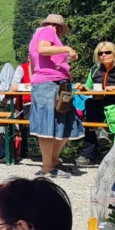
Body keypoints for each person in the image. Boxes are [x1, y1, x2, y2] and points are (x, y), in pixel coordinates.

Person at [28, 14, 83, 178]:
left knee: (64, 122)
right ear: (57, 26)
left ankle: (53, 161)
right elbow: (43, 50)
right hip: (49, 84)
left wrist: (68, 59)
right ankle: (47, 166)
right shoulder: (47, 30)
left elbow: (39, 60)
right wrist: (67, 48)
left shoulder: (42, 34)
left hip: (53, 84)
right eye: (60, 29)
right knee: (49, 124)